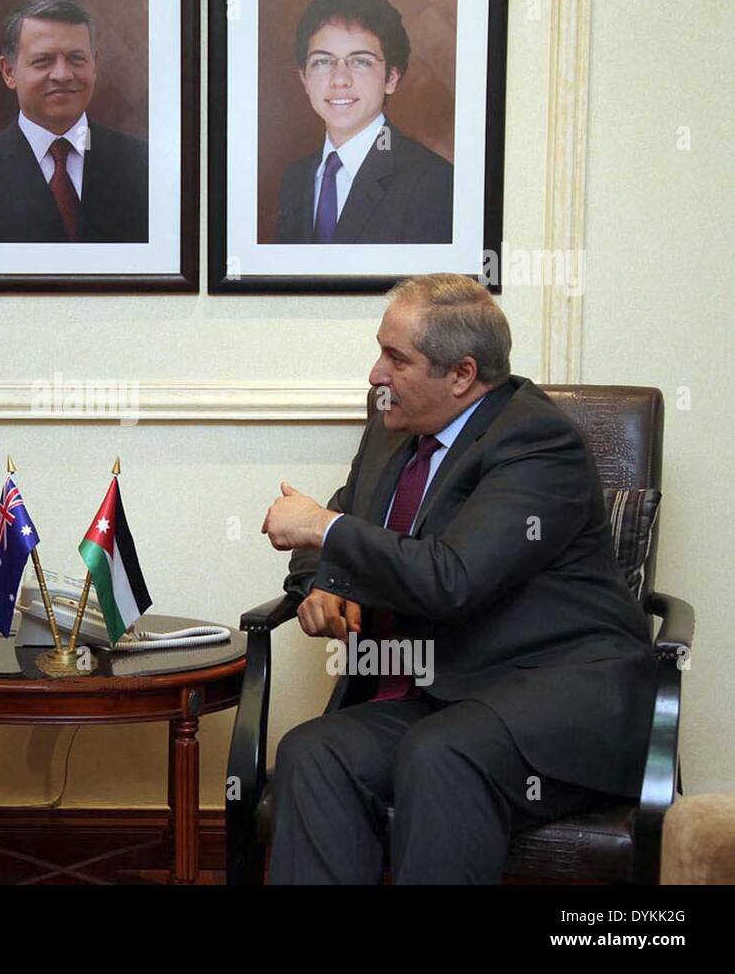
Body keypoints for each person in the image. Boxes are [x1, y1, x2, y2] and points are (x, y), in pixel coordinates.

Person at [258, 274, 655, 884]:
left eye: (396, 359)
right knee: (314, 752)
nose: (375, 376)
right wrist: (321, 582)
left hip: (559, 693)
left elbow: (453, 576)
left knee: (443, 753)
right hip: (443, 692)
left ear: (462, 375)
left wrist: (324, 528)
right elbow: (350, 514)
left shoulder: (535, 441)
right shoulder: (394, 426)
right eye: (379, 351)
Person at [0, 0, 148, 243]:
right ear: (9, 72)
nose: (62, 74)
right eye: (43, 61)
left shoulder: (143, 165)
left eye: (76, 59)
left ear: (94, 65)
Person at [274, 0, 453, 244]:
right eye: (323, 62)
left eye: (360, 61)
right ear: (304, 78)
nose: (339, 80)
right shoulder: (295, 179)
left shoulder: (435, 183)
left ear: (391, 78)